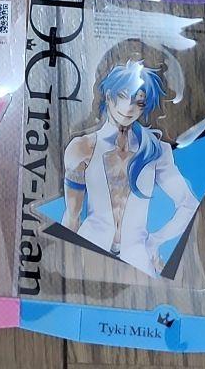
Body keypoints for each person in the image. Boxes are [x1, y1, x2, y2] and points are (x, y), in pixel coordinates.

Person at [61, 60, 197, 277]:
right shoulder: (82, 147)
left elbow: (189, 205)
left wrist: (155, 242)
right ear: (108, 96)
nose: (129, 108)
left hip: (137, 255)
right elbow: (72, 216)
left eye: (139, 102)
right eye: (123, 96)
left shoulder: (156, 150)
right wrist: (67, 263)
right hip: (90, 246)